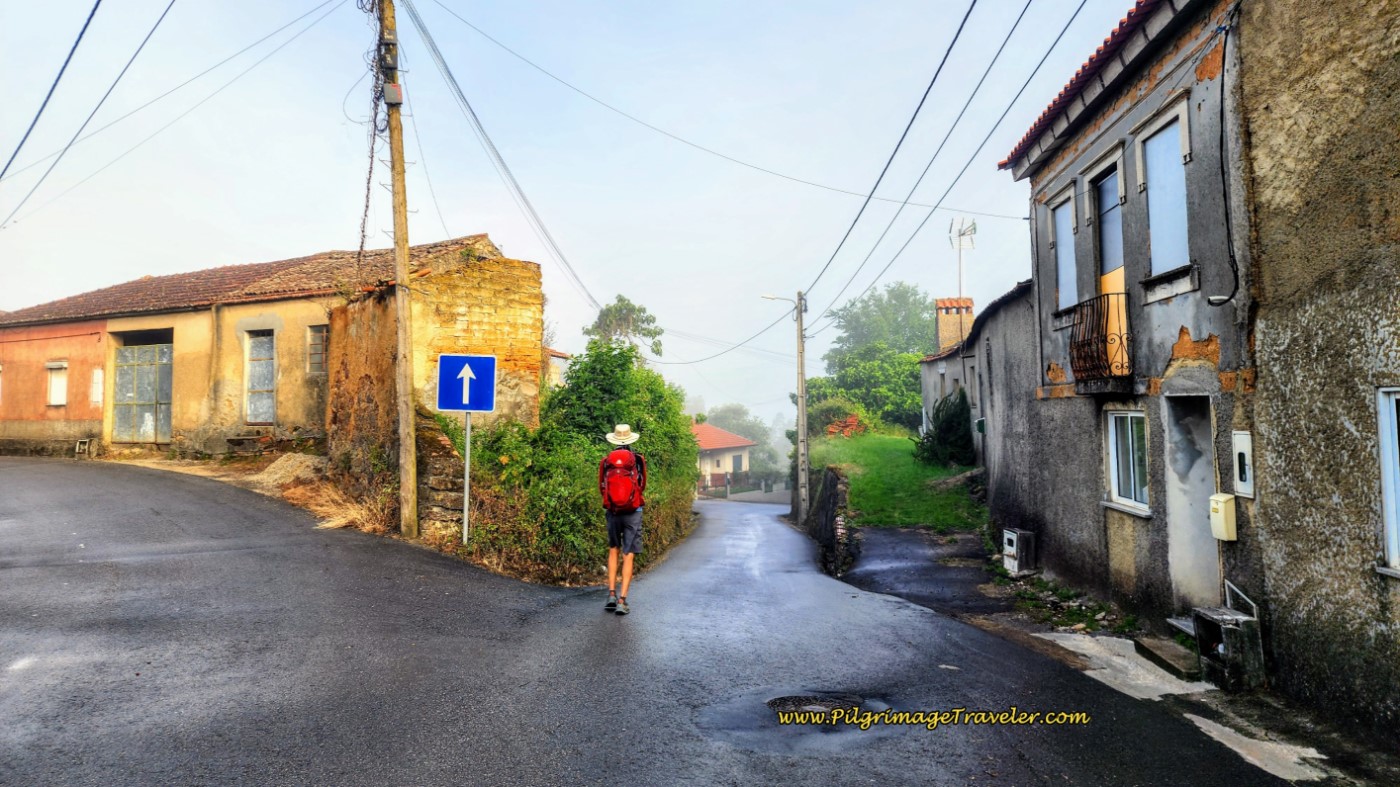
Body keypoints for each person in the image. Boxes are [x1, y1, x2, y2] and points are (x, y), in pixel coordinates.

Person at [599, 424, 647, 616]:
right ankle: (622, 601)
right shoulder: (638, 460)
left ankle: (611, 594)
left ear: (614, 439)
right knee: (628, 554)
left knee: (613, 550)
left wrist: (613, 503)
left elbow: (602, 487)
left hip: (613, 511)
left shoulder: (605, 461)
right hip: (633, 511)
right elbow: (642, 485)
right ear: (630, 439)